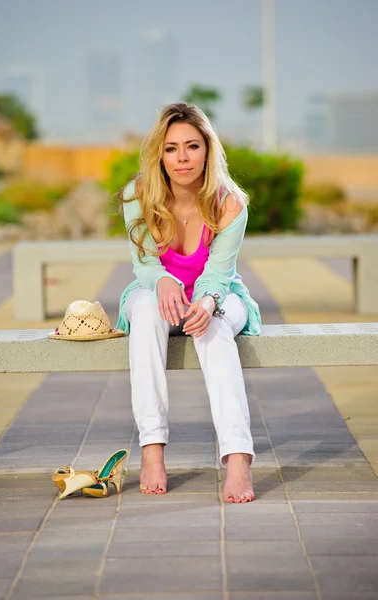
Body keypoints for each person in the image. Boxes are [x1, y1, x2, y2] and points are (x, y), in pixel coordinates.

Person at [116, 102, 262, 503]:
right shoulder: (138, 195)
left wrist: (208, 301)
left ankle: (237, 457)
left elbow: (218, 275)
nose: (182, 158)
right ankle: (152, 448)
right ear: (158, 155)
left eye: (192, 146)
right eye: (171, 148)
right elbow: (143, 264)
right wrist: (162, 279)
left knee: (213, 327)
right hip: (155, 296)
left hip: (219, 294)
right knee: (146, 309)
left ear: (208, 150)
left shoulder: (230, 203)